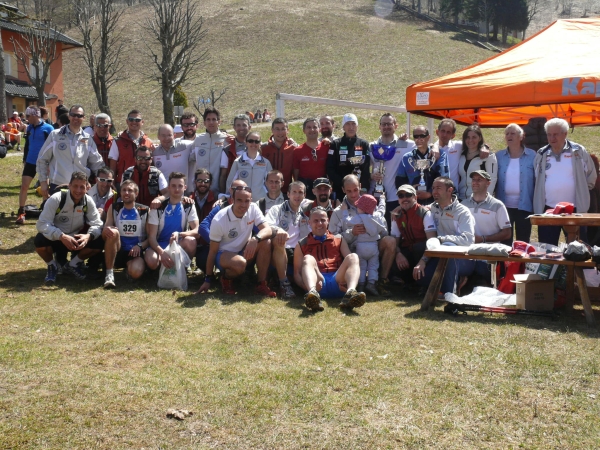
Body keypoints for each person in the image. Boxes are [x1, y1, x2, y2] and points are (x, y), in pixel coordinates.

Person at [196, 185, 276, 297]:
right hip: (223, 254)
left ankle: (261, 284)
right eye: (239, 200)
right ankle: (225, 279)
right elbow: (213, 251)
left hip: (243, 251)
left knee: (265, 242)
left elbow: (268, 229)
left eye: (246, 201)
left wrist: (255, 239)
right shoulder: (219, 219)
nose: (243, 205)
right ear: (232, 200)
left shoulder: (253, 208)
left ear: (251, 200)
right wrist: (208, 280)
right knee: (240, 264)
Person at [533, 118, 597, 245]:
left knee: (578, 248)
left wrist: (583, 190)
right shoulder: (542, 153)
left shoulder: (578, 151)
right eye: (549, 134)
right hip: (549, 210)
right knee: (547, 249)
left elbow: (591, 174)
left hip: (575, 209)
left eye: (556, 134)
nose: (552, 138)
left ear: (565, 134)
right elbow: (537, 177)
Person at [329, 174, 396, 295]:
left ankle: (380, 282)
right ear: (343, 190)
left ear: (360, 186)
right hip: (350, 250)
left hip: (372, 246)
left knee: (390, 241)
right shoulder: (339, 211)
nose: (353, 194)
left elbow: (384, 230)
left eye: (355, 190)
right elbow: (333, 239)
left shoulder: (370, 204)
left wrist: (372, 230)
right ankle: (358, 284)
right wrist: (351, 233)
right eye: (349, 191)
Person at [34, 171, 104, 284]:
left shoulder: (88, 201)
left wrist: (88, 236)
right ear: (69, 185)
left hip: (77, 239)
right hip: (58, 238)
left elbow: (97, 224)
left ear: (87, 188)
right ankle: (52, 266)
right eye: (75, 186)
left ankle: (74, 264)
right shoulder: (56, 198)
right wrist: (61, 236)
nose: (78, 190)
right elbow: (42, 224)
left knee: (99, 241)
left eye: (82, 187)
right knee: (39, 241)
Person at [294, 207, 366, 312]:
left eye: (323, 220)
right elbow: (297, 273)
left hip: (338, 281)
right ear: (309, 223)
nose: (319, 223)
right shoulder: (302, 244)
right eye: (315, 221)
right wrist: (305, 287)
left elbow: (352, 264)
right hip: (318, 282)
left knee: (353, 256)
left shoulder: (338, 239)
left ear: (328, 221)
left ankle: (350, 293)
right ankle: (312, 295)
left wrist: (347, 284)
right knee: (308, 258)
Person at [413, 177, 474, 295]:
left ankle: (450, 292)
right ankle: (456, 280)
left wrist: (442, 239)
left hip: (463, 259)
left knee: (448, 246)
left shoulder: (463, 212)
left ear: (449, 190)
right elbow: (416, 208)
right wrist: (399, 208)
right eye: (434, 188)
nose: (434, 191)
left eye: (439, 188)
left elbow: (468, 240)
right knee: (421, 276)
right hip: (440, 254)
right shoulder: (434, 207)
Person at [37, 105, 104, 199]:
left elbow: (97, 163)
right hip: (58, 185)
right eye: (73, 115)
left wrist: (105, 181)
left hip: (80, 188)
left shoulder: (88, 138)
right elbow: (42, 159)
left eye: (79, 116)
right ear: (69, 116)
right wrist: (43, 182)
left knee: (79, 214)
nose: (76, 118)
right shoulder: (55, 135)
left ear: (84, 118)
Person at [459, 170, 512, 287]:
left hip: (489, 253)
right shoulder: (463, 205)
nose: (475, 182)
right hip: (467, 251)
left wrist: (483, 239)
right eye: (473, 179)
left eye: (479, 180)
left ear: (488, 183)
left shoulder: (498, 205)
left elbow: (507, 233)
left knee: (480, 268)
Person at [145, 172, 199, 272]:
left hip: (177, 244)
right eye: (173, 186)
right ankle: (164, 268)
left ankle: (184, 267)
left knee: (191, 241)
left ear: (185, 187)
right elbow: (151, 237)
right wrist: (162, 253)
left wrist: (180, 234)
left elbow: (196, 230)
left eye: (180, 186)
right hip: (159, 244)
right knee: (152, 261)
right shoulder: (157, 207)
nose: (177, 189)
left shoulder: (189, 205)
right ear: (168, 187)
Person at [266, 181, 311, 298]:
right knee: (279, 240)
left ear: (304, 196)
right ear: (288, 194)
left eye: (300, 192)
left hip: (297, 251)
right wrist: (278, 230)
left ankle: (310, 288)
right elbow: (267, 225)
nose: (297, 195)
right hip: (279, 248)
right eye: (294, 192)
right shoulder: (277, 209)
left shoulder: (306, 213)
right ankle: (284, 283)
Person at [102, 179, 149, 288]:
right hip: (117, 249)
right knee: (112, 232)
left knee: (136, 272)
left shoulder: (144, 210)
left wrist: (140, 246)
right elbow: (107, 227)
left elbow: (150, 237)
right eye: (124, 190)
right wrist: (107, 229)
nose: (126, 193)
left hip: (135, 252)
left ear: (136, 193)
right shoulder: (114, 208)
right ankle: (109, 275)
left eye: (130, 190)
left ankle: (129, 270)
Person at [495, 123, 537, 243]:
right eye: (507, 133)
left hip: (524, 206)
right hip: (503, 206)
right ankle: (503, 263)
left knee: (522, 243)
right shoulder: (498, 156)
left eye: (513, 133)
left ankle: (521, 263)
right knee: (504, 242)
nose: (509, 136)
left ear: (521, 136)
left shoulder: (532, 155)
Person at [369, 113, 413, 225]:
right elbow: (363, 169)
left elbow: (424, 147)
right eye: (383, 124)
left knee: (394, 230)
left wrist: (435, 148)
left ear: (396, 126)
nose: (386, 126)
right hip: (375, 196)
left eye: (389, 124)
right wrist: (371, 176)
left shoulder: (406, 144)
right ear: (379, 126)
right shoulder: (372, 146)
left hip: (396, 197)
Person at [389, 185, 437, 286]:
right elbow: (394, 242)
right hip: (408, 251)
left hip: (424, 253)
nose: (404, 198)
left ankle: (418, 282)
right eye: (401, 196)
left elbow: (432, 243)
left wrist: (422, 262)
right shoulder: (396, 215)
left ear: (415, 198)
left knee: (418, 247)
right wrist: (398, 254)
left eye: (408, 195)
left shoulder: (424, 213)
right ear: (398, 200)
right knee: (390, 255)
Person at [16, 106, 54, 225]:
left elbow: (53, 147)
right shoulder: (30, 128)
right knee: (24, 186)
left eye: (28, 116)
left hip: (44, 163)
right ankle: (21, 212)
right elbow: (27, 144)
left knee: (44, 189)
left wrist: (51, 163)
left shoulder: (48, 128)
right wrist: (25, 159)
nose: (26, 119)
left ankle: (45, 213)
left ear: (35, 115)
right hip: (31, 161)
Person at [396, 125, 449, 206]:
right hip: (413, 202)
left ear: (428, 137)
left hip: (436, 202)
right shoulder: (407, 158)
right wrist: (410, 190)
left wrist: (430, 193)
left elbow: (444, 178)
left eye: (422, 136)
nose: (419, 139)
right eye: (416, 136)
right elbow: (399, 181)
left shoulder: (439, 154)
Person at [347, 194, 387, 296]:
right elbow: (382, 210)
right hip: (373, 246)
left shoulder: (358, 218)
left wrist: (344, 212)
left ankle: (360, 284)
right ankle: (371, 283)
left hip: (361, 246)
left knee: (362, 266)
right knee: (373, 266)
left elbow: (348, 222)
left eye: (358, 207)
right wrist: (382, 199)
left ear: (362, 208)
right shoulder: (377, 216)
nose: (357, 208)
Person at [326, 113, 371, 201]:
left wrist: (364, 187)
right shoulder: (336, 144)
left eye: (353, 124)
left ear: (357, 126)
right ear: (343, 127)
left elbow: (366, 169)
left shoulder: (364, 144)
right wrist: (343, 184)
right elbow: (330, 168)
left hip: (358, 190)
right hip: (341, 189)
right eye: (348, 124)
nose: (351, 127)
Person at [188, 107, 228, 196]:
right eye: (208, 119)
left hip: (217, 189)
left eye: (214, 119)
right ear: (204, 123)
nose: (211, 122)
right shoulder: (198, 140)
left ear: (219, 122)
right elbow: (190, 159)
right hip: (199, 189)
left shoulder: (226, 140)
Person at [108, 109, 154, 185]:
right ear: (127, 121)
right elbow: (112, 166)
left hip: (144, 184)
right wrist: (112, 183)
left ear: (142, 122)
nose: (134, 122)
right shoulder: (117, 142)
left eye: (137, 120)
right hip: (123, 184)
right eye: (131, 119)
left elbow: (152, 164)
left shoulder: (149, 142)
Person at [226, 131, 273, 201]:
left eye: (256, 141)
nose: (253, 144)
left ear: (260, 143)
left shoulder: (266, 163)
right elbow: (230, 183)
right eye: (250, 141)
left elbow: (271, 183)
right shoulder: (238, 162)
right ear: (246, 142)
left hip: (261, 201)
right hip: (243, 202)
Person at [457, 125, 497, 200]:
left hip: (478, 200)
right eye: (467, 137)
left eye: (474, 137)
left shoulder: (488, 156)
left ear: (480, 138)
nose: (470, 140)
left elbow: (492, 179)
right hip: (461, 199)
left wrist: (486, 200)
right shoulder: (460, 154)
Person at [293, 118, 329, 197]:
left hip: (322, 188)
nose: (312, 129)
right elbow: (296, 174)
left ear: (319, 129)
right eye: (308, 127)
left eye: (315, 127)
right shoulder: (297, 151)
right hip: (305, 189)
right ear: (304, 130)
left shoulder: (327, 147)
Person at [190, 168, 217, 272]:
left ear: (210, 183)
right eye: (200, 181)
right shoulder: (188, 199)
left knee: (203, 262)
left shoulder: (216, 201)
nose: (203, 184)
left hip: (207, 244)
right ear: (195, 182)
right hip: (190, 242)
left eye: (206, 181)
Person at [260, 118, 297, 193]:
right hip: (266, 192)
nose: (280, 132)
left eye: (283, 129)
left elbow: (296, 171)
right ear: (272, 130)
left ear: (288, 130)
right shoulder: (263, 148)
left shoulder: (293, 148)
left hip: (286, 192)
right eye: (277, 129)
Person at [153, 124, 192, 193]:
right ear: (158, 137)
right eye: (163, 135)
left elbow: (200, 142)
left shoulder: (185, 146)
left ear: (174, 135)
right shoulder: (154, 152)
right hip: (164, 195)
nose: (166, 138)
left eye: (169, 135)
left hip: (183, 194)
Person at [222, 114, 252, 187]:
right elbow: (223, 175)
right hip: (234, 191)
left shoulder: (258, 147)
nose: (241, 128)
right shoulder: (227, 150)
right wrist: (224, 194)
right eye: (238, 125)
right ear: (234, 127)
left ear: (249, 127)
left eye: (244, 125)